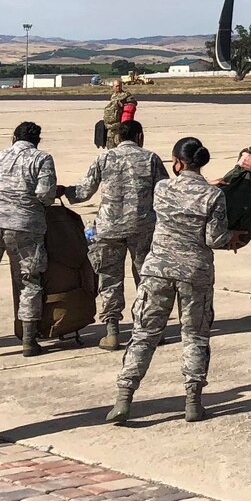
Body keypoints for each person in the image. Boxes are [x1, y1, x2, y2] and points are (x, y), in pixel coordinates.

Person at [107, 136, 232, 425]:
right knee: (195, 335)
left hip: (157, 271)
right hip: (195, 273)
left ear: (177, 162)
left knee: (144, 334)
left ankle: (124, 399)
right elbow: (215, 238)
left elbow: (177, 196)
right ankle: (193, 401)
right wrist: (231, 238)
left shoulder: (162, 189)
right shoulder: (214, 197)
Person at [67, 120, 166, 350]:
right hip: (142, 228)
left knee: (110, 280)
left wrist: (63, 191)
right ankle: (150, 329)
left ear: (118, 138)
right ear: (139, 136)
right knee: (147, 278)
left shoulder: (105, 158)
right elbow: (163, 191)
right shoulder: (150, 158)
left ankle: (112, 332)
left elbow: (83, 192)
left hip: (108, 228)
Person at [0, 122, 61, 357]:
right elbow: (45, 193)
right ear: (37, 140)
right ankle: (29, 341)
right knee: (30, 281)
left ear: (13, 137)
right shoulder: (41, 158)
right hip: (24, 226)